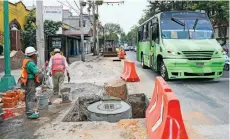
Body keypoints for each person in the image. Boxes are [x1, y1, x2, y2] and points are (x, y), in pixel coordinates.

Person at [20, 46, 40, 119]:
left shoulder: (25, 60)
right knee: (31, 96)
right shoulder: (31, 63)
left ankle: (29, 111)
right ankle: (30, 113)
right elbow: (36, 72)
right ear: (33, 55)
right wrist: (42, 70)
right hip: (30, 81)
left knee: (28, 96)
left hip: (26, 80)